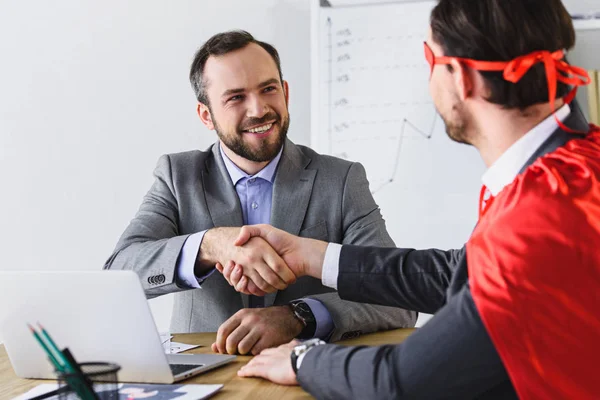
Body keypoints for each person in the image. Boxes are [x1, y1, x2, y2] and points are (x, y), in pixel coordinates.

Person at [220, 1, 600, 398]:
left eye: (429, 57)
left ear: (461, 77)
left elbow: (402, 380)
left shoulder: (539, 215)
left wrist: (302, 359)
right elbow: (463, 274)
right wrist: (312, 256)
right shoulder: (574, 164)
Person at [104, 30, 416, 356]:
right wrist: (211, 245)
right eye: (236, 97)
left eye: (268, 89)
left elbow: (395, 294)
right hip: (205, 379)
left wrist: (299, 316)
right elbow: (120, 273)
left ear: (285, 92)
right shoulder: (177, 176)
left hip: (304, 374)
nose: (258, 109)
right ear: (206, 115)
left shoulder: (340, 180)